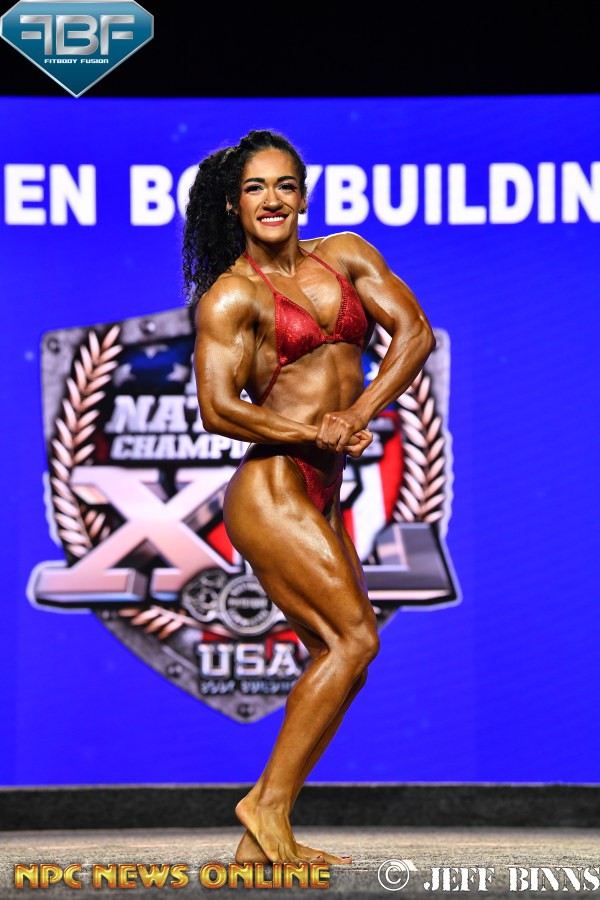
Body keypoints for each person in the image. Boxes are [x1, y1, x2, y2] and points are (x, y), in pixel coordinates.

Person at [182, 129, 435, 866]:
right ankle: (263, 804)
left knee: (342, 654)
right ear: (234, 205)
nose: (272, 199)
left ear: (302, 196)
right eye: (255, 188)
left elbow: (415, 333)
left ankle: (261, 839)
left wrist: (356, 416)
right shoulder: (232, 295)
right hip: (271, 486)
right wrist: (312, 431)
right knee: (356, 639)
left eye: (284, 185)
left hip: (321, 486)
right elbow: (218, 408)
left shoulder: (347, 256)